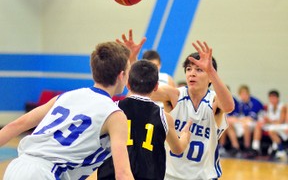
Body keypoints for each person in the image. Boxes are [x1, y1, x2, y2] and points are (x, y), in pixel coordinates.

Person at [0, 31, 146, 180]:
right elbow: (123, 174)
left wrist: (131, 60)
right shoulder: (114, 115)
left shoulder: (66, 96)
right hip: (44, 173)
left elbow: (17, 124)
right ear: (122, 75)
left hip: (17, 167)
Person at [151, 41, 234, 180]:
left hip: (204, 176)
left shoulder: (214, 101)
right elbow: (140, 89)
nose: (192, 74)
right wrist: (131, 62)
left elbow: (229, 106)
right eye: (189, 69)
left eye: (199, 70)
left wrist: (211, 71)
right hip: (169, 175)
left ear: (210, 78)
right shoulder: (174, 96)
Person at [97, 59, 192, 180]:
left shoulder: (111, 109)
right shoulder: (164, 117)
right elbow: (177, 149)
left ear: (128, 84)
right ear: (156, 86)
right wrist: (185, 136)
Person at [226, 85, 264, 157]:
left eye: (244, 94)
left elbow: (251, 118)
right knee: (229, 123)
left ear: (248, 93)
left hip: (256, 122)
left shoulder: (255, 102)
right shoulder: (240, 103)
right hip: (243, 121)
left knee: (246, 125)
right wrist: (236, 119)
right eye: (241, 94)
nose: (243, 96)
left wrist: (239, 120)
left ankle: (247, 147)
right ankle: (235, 147)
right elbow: (236, 115)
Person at [251, 90, 287, 159]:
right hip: (272, 124)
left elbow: (281, 121)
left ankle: (279, 149)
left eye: (273, 98)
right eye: (270, 98)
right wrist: (265, 120)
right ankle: (255, 147)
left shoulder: (282, 107)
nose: (272, 100)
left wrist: (269, 121)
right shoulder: (269, 106)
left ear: (277, 98)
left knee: (271, 130)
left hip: (280, 126)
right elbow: (267, 118)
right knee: (258, 125)